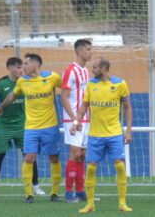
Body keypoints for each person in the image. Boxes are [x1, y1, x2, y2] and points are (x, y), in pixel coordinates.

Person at [0, 53, 63, 203]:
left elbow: (67, 87)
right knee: (29, 157)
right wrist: (1, 107)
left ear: (35, 65)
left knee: (54, 158)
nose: (23, 67)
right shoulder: (22, 81)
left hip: (51, 126)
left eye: (26, 64)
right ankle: (29, 194)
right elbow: (12, 96)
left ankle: (54, 193)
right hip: (31, 127)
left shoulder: (52, 77)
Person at [73, 57, 133, 213]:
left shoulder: (120, 84)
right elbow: (84, 105)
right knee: (91, 168)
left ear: (104, 68)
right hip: (95, 134)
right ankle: (90, 204)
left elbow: (127, 108)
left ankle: (122, 203)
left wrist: (128, 131)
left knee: (120, 165)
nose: (92, 70)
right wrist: (76, 121)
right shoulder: (91, 85)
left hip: (114, 133)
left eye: (95, 67)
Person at [0, 57, 44, 198]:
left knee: (30, 156)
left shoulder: (27, 81)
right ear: (9, 68)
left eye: (22, 67)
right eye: (17, 67)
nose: (20, 70)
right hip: (4, 126)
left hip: (23, 125)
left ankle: (36, 186)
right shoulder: (1, 83)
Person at [60, 39, 93, 202]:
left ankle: (80, 191)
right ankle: (68, 192)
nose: (90, 52)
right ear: (79, 51)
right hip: (72, 120)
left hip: (86, 120)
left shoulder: (86, 71)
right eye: (88, 49)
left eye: (90, 49)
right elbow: (63, 97)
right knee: (75, 154)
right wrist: (74, 119)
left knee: (82, 155)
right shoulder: (70, 71)